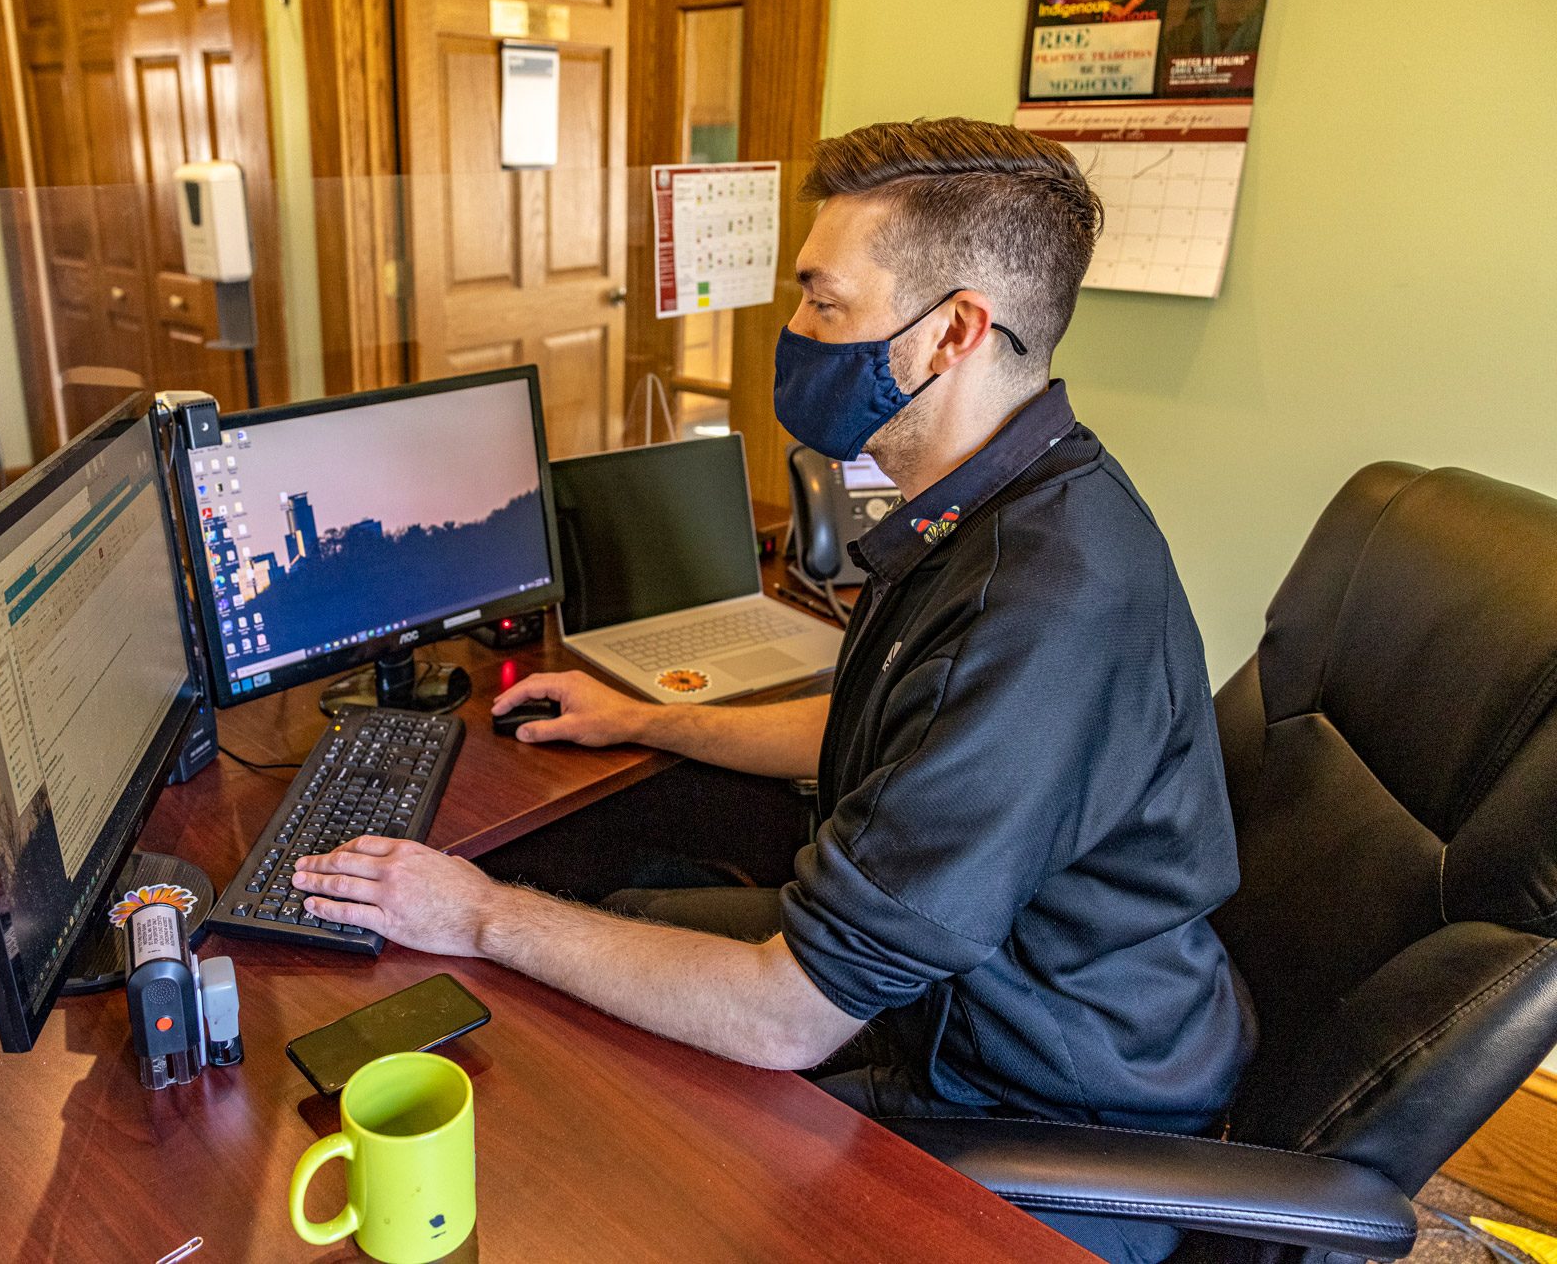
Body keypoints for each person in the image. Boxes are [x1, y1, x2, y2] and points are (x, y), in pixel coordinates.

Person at [293, 117, 1252, 1264]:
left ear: (951, 330)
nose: (791, 331)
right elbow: (880, 731)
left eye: (822, 302)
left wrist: (475, 909)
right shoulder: (996, 504)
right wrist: (644, 717)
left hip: (1045, 1100)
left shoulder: (1038, 605)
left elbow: (781, 1013)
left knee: (592, 1131)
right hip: (942, 991)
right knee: (615, 924)